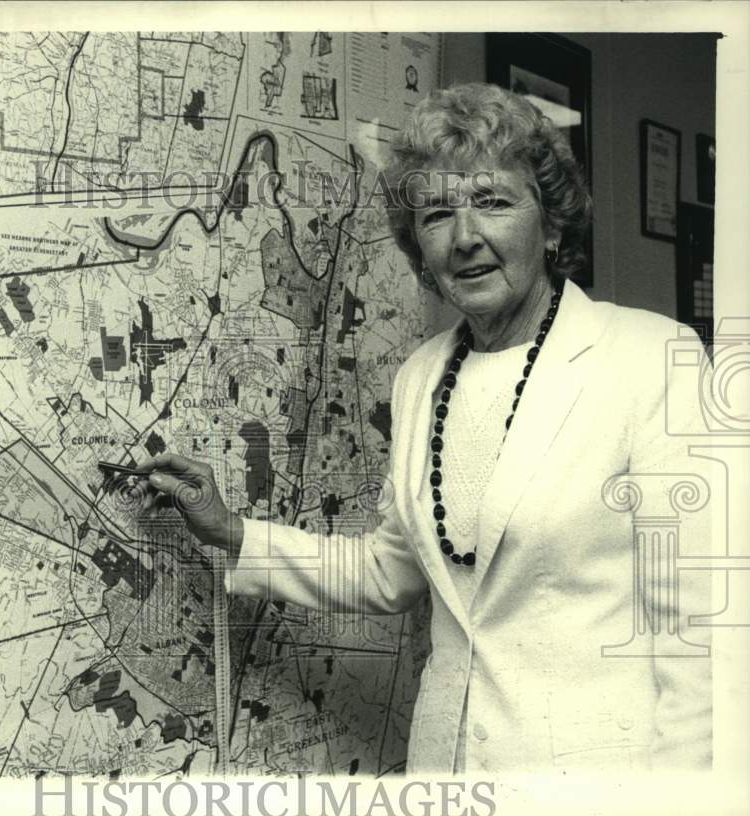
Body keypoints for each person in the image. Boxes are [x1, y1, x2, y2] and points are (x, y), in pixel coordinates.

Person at [134, 83, 713, 774]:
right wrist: (231, 531)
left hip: (599, 790)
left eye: (494, 201)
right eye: (438, 213)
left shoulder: (651, 359)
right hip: (445, 774)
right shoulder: (421, 378)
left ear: (552, 225)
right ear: (421, 248)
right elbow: (390, 572)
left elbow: (701, 632)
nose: (465, 235)